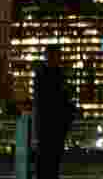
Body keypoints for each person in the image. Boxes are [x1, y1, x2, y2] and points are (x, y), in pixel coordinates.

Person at [34, 45, 76, 179]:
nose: (59, 59)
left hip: (48, 124)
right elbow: (62, 99)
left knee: (47, 160)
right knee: (52, 160)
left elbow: (44, 100)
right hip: (54, 124)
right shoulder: (56, 75)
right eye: (57, 56)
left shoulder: (42, 75)